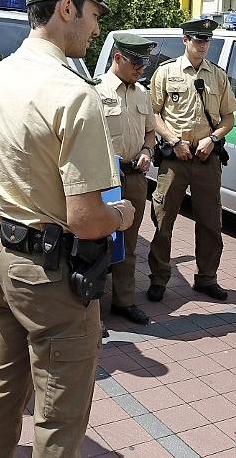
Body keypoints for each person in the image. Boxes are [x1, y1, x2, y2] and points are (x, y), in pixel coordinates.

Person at [0, 0, 134, 456]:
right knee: (59, 416)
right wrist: (122, 215)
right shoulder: (73, 93)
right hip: (51, 275)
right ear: (66, 9)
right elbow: (86, 219)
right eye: (94, 13)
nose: (97, 27)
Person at [147, 18, 236, 303]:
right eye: (197, 39)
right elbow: (154, 114)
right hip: (175, 157)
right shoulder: (166, 72)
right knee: (163, 220)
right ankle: (159, 278)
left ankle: (207, 278)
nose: (202, 45)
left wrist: (213, 139)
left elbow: (228, 117)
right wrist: (174, 141)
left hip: (206, 158)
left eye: (206, 40)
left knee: (211, 221)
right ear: (185, 40)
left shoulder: (217, 75)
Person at [96, 32, 157, 326]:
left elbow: (150, 130)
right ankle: (91, 306)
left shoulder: (142, 93)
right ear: (117, 58)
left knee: (128, 243)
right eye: (136, 62)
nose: (141, 68)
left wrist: (147, 150)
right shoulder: (95, 90)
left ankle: (124, 300)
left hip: (134, 177)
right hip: (104, 180)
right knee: (97, 241)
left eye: (144, 63)